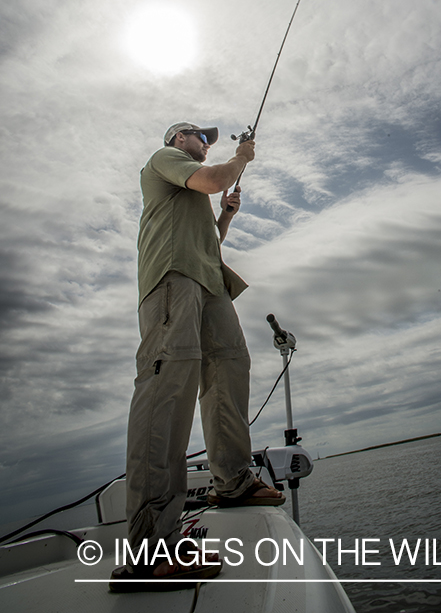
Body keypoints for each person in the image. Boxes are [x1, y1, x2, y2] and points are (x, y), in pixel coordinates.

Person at [110, 121, 284, 592]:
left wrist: (224, 217)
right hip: (173, 281)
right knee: (169, 386)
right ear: (176, 140)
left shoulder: (194, 194)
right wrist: (241, 158)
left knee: (231, 365)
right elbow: (212, 179)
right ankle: (150, 547)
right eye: (196, 134)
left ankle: (234, 482)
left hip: (208, 284)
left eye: (208, 138)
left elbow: (208, 243)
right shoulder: (164, 160)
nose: (205, 141)